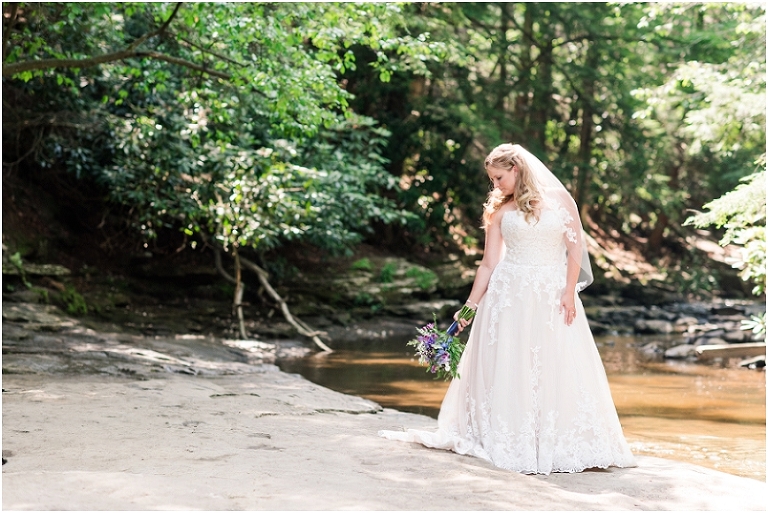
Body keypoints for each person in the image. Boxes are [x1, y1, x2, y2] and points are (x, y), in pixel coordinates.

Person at [380, 143, 636, 475]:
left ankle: (555, 439)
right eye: (493, 179)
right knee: (511, 364)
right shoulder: (501, 211)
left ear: (516, 169)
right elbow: (488, 265)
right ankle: (511, 436)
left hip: (551, 294)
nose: (495, 185)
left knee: (553, 363)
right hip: (507, 296)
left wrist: (569, 292)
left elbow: (576, 250)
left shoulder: (561, 201)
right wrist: (469, 308)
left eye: (499, 178)